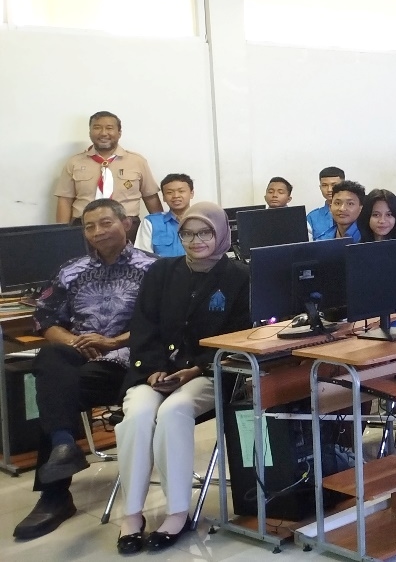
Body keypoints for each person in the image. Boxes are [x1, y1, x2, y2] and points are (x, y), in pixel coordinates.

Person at [12, 200, 157, 542]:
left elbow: (164, 322)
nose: (97, 232)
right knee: (51, 360)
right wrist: (74, 342)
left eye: (105, 223)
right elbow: (45, 319)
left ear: (126, 223)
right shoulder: (70, 270)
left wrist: (113, 341)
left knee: (56, 390)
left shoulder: (155, 268)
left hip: (130, 361)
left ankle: (54, 495)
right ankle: (64, 448)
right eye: (89, 226)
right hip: (81, 355)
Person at [114, 203, 251, 552]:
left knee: (173, 411)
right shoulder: (162, 271)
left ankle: (177, 512)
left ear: (221, 233)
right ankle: (132, 515)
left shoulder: (240, 276)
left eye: (204, 232)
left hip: (211, 371)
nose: (195, 240)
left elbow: (240, 336)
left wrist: (196, 368)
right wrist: (153, 369)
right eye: (187, 233)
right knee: (139, 414)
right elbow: (143, 326)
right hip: (154, 372)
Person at [55, 111, 162, 227]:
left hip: (126, 225)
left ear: (119, 133)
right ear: (90, 132)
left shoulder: (137, 161)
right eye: (97, 128)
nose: (103, 133)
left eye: (109, 128)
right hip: (85, 226)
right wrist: (61, 232)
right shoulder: (74, 162)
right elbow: (65, 200)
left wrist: (162, 229)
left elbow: (151, 197)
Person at [135, 174, 194, 257]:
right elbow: (142, 257)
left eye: (181, 191)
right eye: (169, 192)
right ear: (164, 197)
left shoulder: (204, 220)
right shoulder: (151, 222)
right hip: (161, 266)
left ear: (191, 193)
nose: (176, 196)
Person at [306, 167, 345, 241]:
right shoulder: (312, 218)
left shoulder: (354, 212)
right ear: (320, 187)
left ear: (344, 185)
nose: (329, 190)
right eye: (324, 185)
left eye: (334, 185)